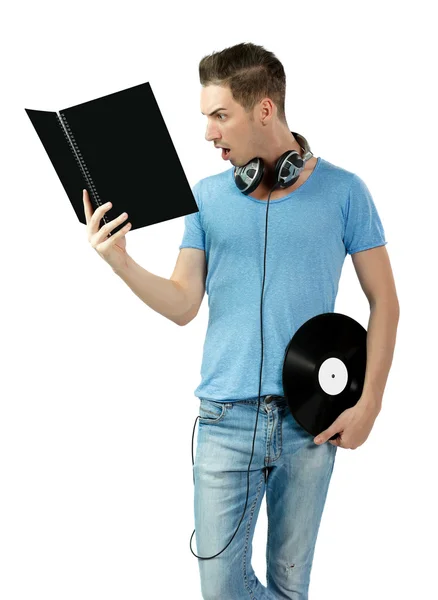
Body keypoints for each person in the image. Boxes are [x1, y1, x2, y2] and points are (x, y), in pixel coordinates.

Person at [83, 42, 399, 600]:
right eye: (205, 117)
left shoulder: (346, 192)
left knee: (289, 584)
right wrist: (121, 261)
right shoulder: (205, 198)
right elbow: (183, 304)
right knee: (221, 589)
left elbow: (386, 303)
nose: (208, 132)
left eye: (219, 115)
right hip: (224, 421)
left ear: (265, 109)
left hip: (312, 423)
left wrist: (368, 403)